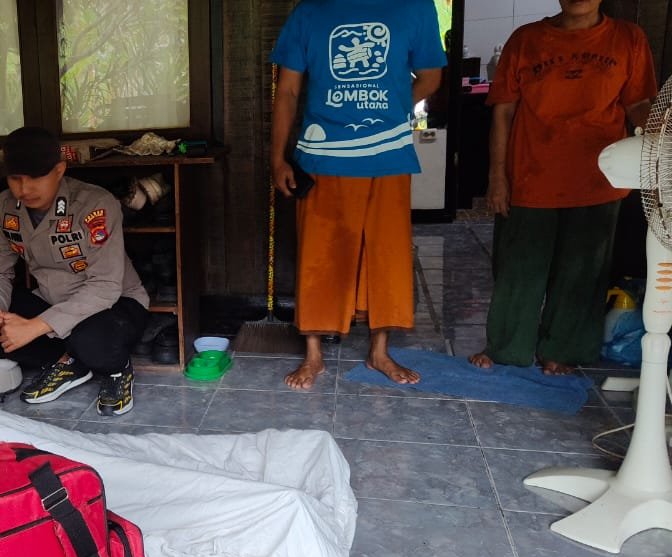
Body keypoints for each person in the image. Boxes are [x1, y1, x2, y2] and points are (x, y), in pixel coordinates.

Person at [469, 0, 657, 374]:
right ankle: (507, 347)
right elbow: (503, 111)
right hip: (531, 176)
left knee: (582, 273)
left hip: (599, 179)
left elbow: (638, 102)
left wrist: (658, 135)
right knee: (518, 269)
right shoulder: (526, 40)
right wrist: (497, 177)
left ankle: (561, 350)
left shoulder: (628, 39)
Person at [269, 0, 447, 389]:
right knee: (318, 257)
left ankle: (379, 352)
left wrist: (393, 109)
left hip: (389, 154)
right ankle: (313, 355)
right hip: (322, 156)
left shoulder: (414, 8)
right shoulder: (309, 13)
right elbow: (288, 90)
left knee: (386, 256)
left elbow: (431, 77)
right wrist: (277, 158)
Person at [0, 127, 150, 416]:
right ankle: (68, 361)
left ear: (59, 170)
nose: (24, 189)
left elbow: (105, 287)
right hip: (52, 302)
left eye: (35, 177)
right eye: (15, 178)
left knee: (91, 339)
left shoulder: (95, 205)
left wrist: (36, 326)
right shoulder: (5, 206)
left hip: (113, 305)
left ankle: (116, 369)